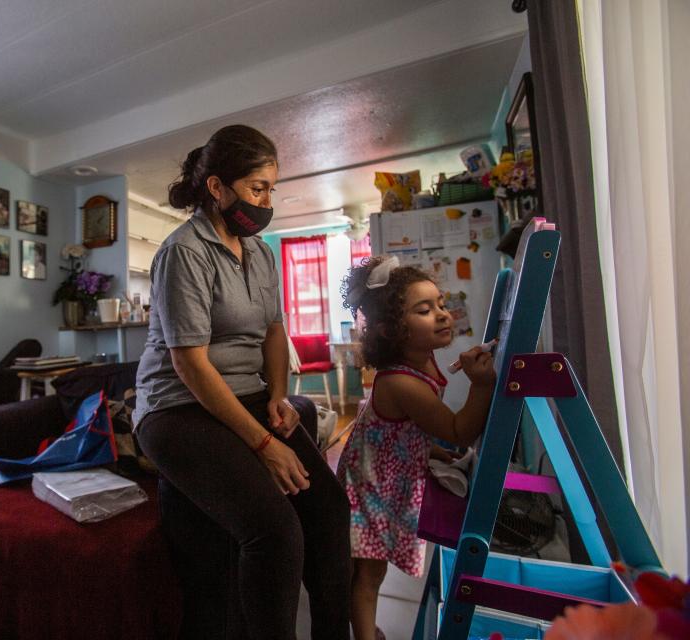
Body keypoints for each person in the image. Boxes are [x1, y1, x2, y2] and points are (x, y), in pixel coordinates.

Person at [132, 124, 351, 640]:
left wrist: (277, 396)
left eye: (271, 189)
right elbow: (190, 364)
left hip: (245, 394)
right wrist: (263, 443)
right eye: (258, 188)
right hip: (177, 407)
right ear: (217, 188)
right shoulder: (184, 252)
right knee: (275, 532)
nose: (267, 200)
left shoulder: (260, 251)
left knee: (329, 509)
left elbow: (275, 330)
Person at [337, 256, 496, 640]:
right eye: (425, 310)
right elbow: (458, 430)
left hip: (384, 473)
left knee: (372, 568)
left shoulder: (424, 361)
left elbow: (406, 431)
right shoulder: (402, 382)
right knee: (369, 572)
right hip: (369, 487)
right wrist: (482, 385)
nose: (442, 314)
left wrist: (429, 451)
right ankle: (364, 635)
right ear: (393, 330)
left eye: (441, 304)